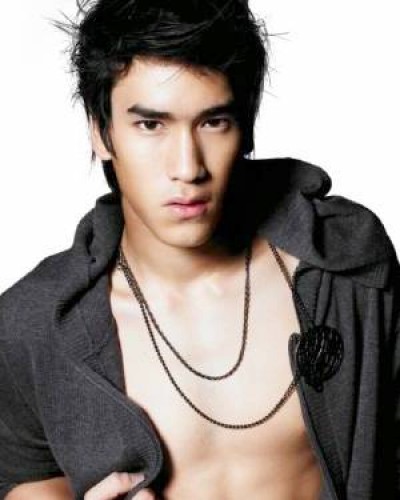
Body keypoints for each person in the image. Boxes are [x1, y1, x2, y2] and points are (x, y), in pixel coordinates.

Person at [0, 0, 399, 499]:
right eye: (151, 125)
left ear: (245, 127)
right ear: (101, 133)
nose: (188, 167)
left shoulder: (345, 267)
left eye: (214, 122)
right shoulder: (34, 323)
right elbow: (25, 474)